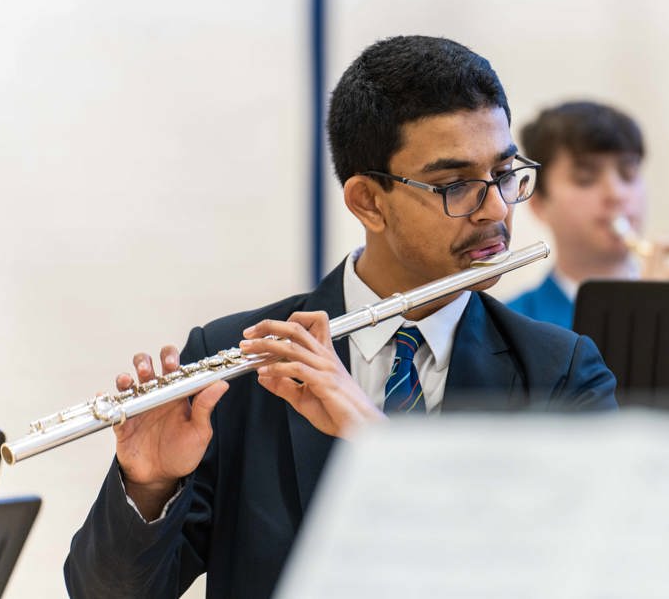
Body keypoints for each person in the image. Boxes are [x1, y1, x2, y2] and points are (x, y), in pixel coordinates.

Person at [64, 36, 618, 598]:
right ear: (367, 202)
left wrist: (376, 439)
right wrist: (149, 486)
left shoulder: (559, 373)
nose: (497, 208)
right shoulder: (239, 357)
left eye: (503, 175)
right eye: (456, 186)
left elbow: (579, 572)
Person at [507, 100, 669, 328]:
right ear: (538, 204)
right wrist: (650, 318)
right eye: (585, 179)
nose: (616, 194)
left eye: (628, 174)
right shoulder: (510, 326)